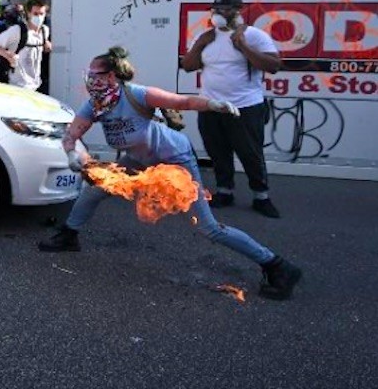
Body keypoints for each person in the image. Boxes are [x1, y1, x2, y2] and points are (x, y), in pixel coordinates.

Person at [40, 47, 302, 300]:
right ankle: (69, 235)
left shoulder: (137, 95)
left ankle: (277, 266)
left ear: (112, 76)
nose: (90, 79)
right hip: (140, 160)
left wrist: (213, 104)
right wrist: (72, 154)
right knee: (95, 190)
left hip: (175, 161)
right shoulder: (95, 105)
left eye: (95, 74)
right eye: (89, 73)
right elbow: (72, 134)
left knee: (208, 228)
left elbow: (183, 101)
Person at [181, 0, 282, 218]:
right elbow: (188, 66)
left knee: (250, 153)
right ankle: (224, 191)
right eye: (216, 10)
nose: (219, 14)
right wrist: (198, 44)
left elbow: (274, 65)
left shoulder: (254, 36)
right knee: (218, 151)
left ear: (239, 11)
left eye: (225, 10)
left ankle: (261, 197)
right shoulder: (205, 37)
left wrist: (243, 46)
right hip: (211, 105)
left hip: (245, 106)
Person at [0, 0, 50, 91]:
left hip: (36, 84)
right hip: (18, 86)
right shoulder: (17, 30)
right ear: (29, 14)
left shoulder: (44, 30)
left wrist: (46, 43)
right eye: (35, 14)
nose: (39, 17)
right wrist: (7, 55)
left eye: (41, 14)